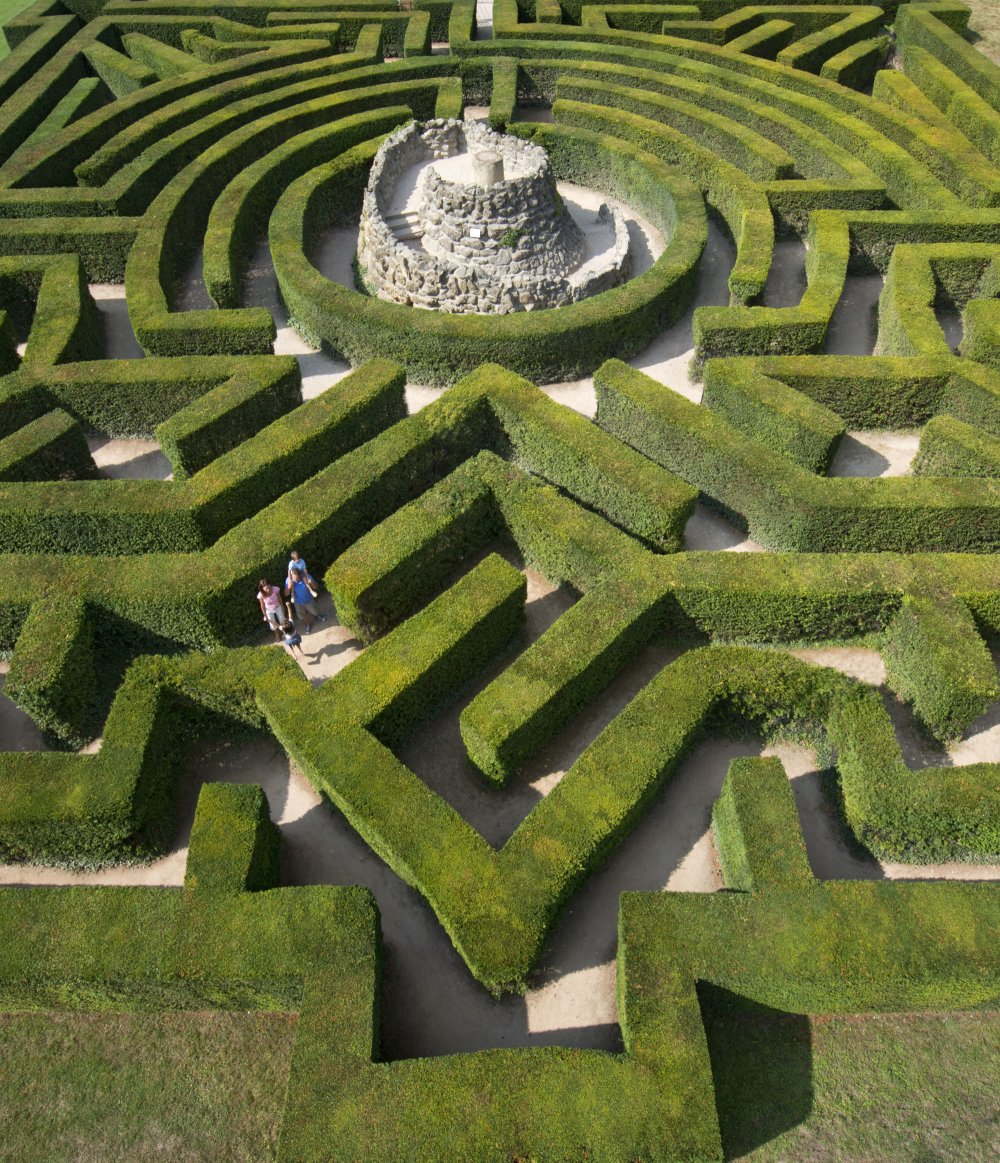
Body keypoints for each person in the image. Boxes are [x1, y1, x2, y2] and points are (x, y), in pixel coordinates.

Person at [285, 566, 326, 631]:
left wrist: (311, 582)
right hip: (298, 602)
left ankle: (317, 616)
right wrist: (289, 587)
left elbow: (316, 587)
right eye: (293, 577)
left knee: (314, 611)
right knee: (302, 615)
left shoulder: (306, 576)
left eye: (296, 578)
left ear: (300, 575)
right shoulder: (288, 580)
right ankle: (308, 625)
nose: (295, 580)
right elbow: (286, 594)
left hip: (309, 599)